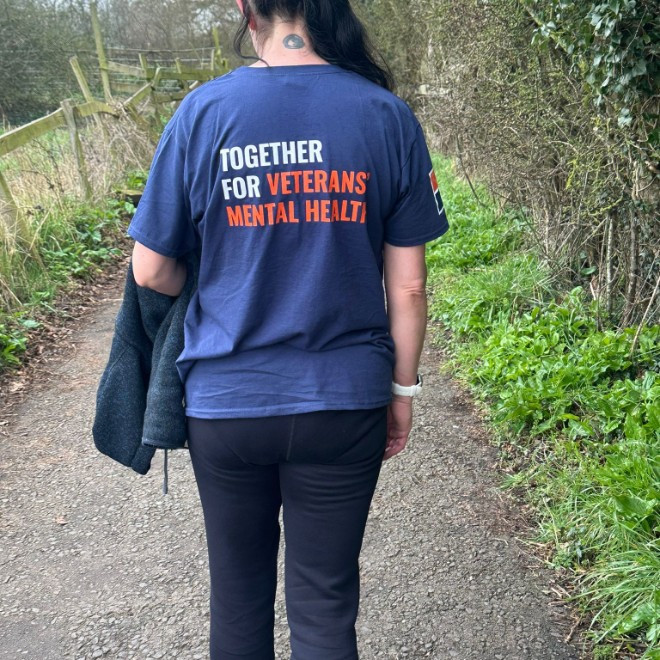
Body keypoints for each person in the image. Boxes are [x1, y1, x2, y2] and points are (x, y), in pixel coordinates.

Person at [126, 0, 449, 657]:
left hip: (226, 404)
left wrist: (218, 283)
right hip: (345, 401)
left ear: (246, 9)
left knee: (238, 602)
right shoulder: (386, 115)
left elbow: (151, 269)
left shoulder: (203, 113)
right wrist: (402, 392)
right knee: (325, 607)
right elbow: (409, 287)